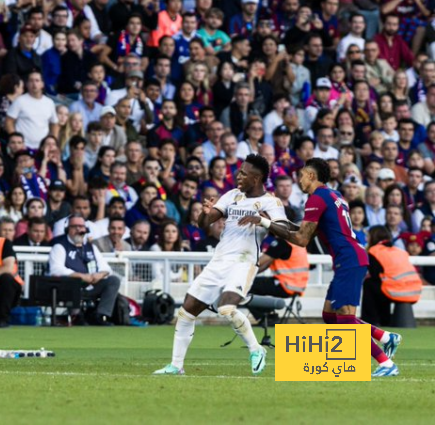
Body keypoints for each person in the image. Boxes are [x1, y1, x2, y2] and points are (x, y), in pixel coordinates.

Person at [254, 157, 402, 377]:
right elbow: (305, 229)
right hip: (349, 258)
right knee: (329, 316)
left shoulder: (316, 198)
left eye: (302, 175)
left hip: (349, 259)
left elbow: (302, 240)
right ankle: (385, 337)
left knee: (344, 318)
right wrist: (271, 222)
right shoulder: (334, 195)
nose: (299, 180)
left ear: (312, 175)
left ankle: (386, 363)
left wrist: (265, 224)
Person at [153, 154, 285, 376]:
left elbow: (285, 230)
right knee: (187, 311)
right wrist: (205, 214)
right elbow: (206, 223)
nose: (238, 175)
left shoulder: (272, 202)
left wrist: (263, 220)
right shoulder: (232, 195)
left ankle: (256, 349)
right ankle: (176, 365)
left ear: (257, 178)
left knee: (226, 308)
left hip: (243, 262)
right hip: (219, 260)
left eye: (243, 172)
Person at [49, 214, 121, 325]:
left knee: (113, 280)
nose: (79, 229)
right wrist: (80, 276)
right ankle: (76, 316)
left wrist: (100, 275)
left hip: (91, 285)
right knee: (73, 282)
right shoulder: (60, 246)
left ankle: (100, 316)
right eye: (75, 226)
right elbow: (55, 269)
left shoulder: (91, 247)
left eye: (81, 226)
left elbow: (106, 268)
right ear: (68, 228)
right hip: (70, 288)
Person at [363, 226, 423, 327]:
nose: (366, 239)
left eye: (368, 236)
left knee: (369, 283)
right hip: (414, 290)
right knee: (383, 284)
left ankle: (370, 320)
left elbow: (375, 274)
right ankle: (385, 320)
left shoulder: (374, 251)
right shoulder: (399, 251)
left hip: (395, 290)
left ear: (373, 237)